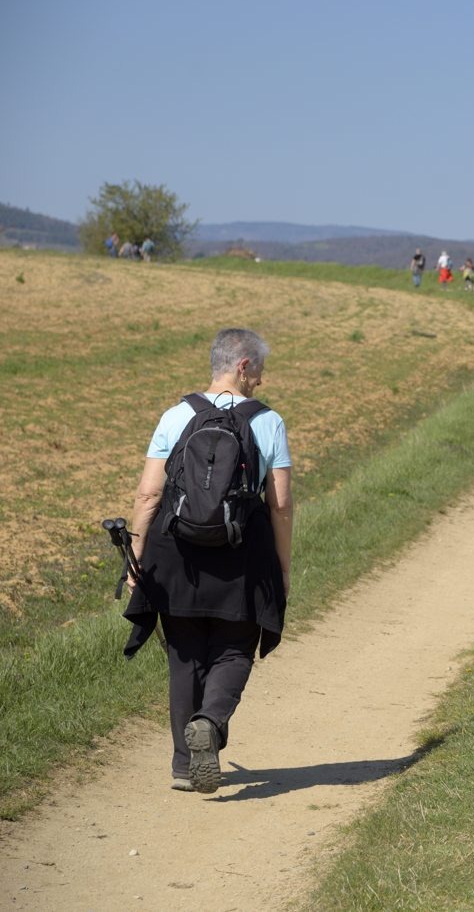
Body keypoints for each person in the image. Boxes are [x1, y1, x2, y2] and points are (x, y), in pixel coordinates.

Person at [123, 328, 294, 793]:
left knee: (184, 655)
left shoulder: (176, 415)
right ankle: (210, 722)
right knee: (235, 649)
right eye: (259, 370)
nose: (261, 380)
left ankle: (184, 764)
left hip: (175, 556)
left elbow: (149, 493)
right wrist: (282, 567)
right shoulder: (268, 421)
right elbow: (279, 505)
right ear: (243, 366)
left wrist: (136, 555)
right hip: (243, 557)